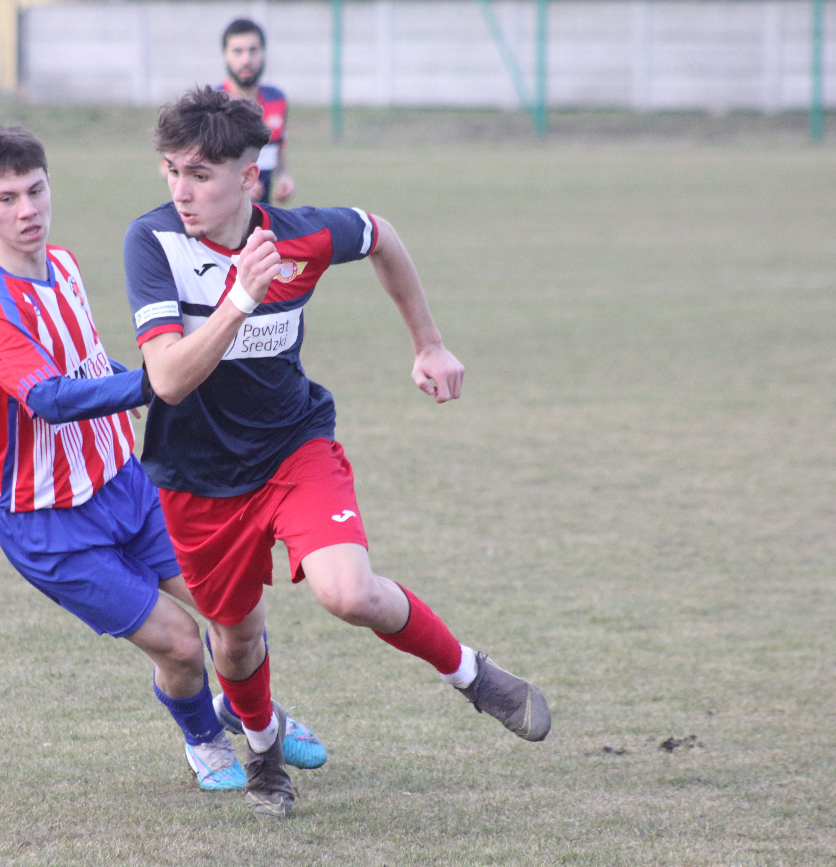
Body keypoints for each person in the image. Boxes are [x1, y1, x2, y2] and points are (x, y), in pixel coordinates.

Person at [123, 88, 551, 819]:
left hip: (294, 448)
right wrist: (241, 298)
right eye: (171, 171)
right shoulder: (153, 242)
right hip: (195, 479)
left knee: (349, 592)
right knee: (235, 640)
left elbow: (380, 233)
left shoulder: (303, 235)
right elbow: (165, 378)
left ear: (248, 177)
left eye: (199, 174)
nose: (181, 191)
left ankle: (474, 675)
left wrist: (428, 341)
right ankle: (262, 752)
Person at [0, 125, 326, 793]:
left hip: (127, 483)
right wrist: (159, 380)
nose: (28, 210)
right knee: (183, 644)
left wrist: (158, 376)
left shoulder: (62, 265)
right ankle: (205, 736)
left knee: (234, 611)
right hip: (50, 523)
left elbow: (92, 365)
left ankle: (255, 712)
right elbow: (52, 398)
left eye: (36, 190)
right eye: (6, 198)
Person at [219, 18, 292, 205]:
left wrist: (283, 176)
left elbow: (277, 146)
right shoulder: (211, 103)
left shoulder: (277, 99)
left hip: (263, 215)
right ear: (225, 55)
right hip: (222, 220)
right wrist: (236, 185)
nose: (246, 59)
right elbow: (175, 168)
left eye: (253, 50)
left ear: (263, 53)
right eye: (238, 51)